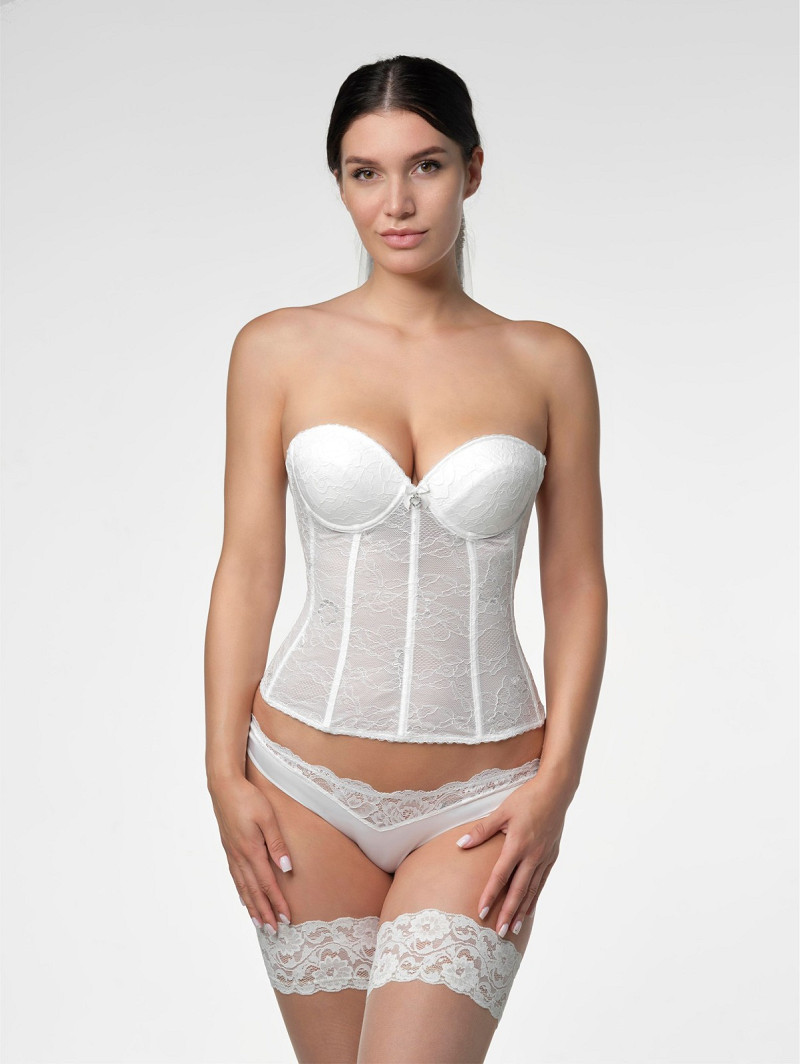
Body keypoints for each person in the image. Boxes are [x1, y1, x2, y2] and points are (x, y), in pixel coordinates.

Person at [205, 54, 607, 1064]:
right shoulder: (275, 349)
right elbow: (247, 567)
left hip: (483, 801)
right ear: (339, 183)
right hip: (300, 789)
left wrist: (557, 782)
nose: (396, 202)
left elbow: (574, 582)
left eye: (425, 165)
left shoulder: (547, 362)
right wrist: (221, 771)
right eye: (365, 172)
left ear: (473, 169)